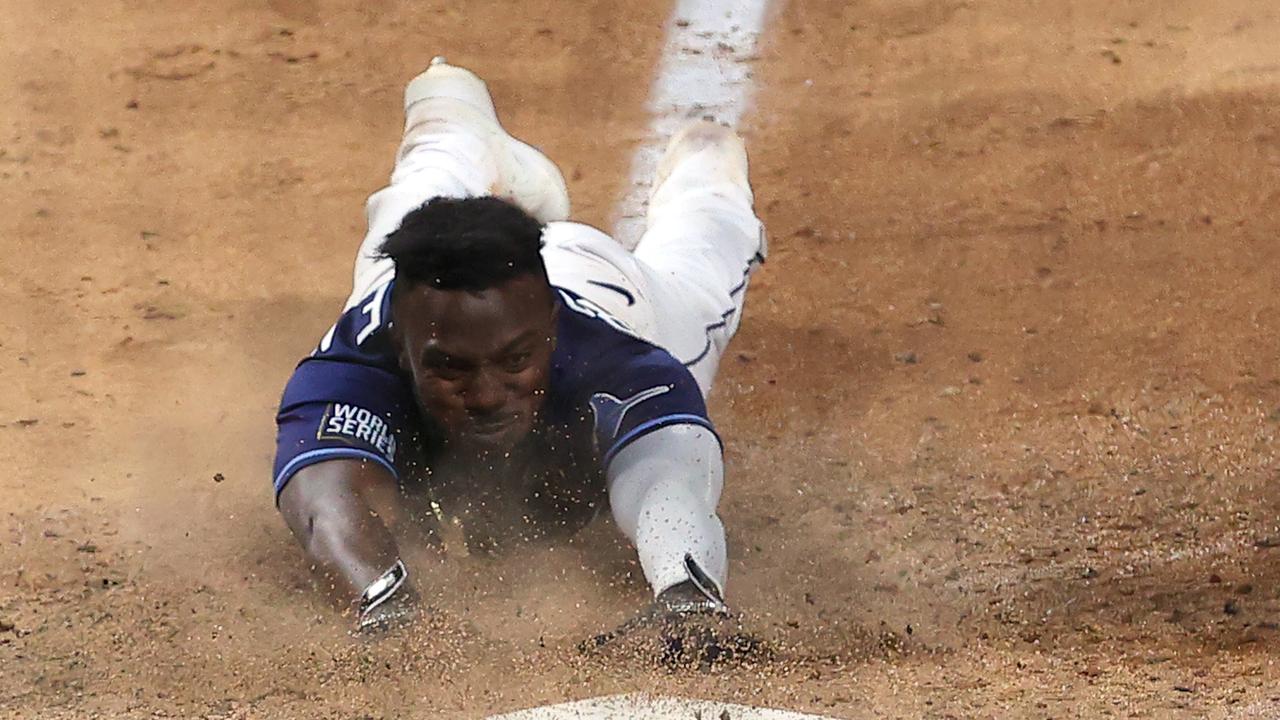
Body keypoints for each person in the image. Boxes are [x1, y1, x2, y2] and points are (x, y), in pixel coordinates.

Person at [271, 58, 766, 645]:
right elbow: (328, 504)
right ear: (402, 349)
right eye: (450, 368)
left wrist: (685, 596)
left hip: (611, 288)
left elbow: (669, 482)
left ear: (552, 332)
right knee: (405, 219)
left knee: (704, 252)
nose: (485, 396)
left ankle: (704, 170)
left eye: (514, 363)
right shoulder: (357, 364)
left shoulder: (621, 361)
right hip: (453, 298)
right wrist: (388, 603)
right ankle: (451, 110)